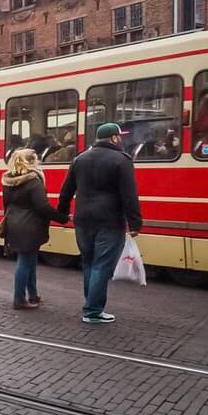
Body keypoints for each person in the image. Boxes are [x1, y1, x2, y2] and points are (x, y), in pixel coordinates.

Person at [57, 123, 141, 325]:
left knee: (89, 263)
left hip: (83, 219)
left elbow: (66, 190)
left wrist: (62, 213)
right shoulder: (122, 161)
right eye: (119, 136)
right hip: (109, 220)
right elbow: (129, 195)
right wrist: (135, 222)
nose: (121, 139)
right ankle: (93, 311)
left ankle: (91, 305)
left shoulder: (80, 158)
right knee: (102, 266)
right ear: (113, 138)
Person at [2, 149, 69, 309]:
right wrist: (62, 218)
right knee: (25, 262)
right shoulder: (34, 181)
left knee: (30, 260)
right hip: (30, 226)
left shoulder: (8, 180)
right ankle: (19, 299)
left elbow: (6, 205)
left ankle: (33, 295)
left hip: (14, 223)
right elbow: (42, 206)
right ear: (33, 162)